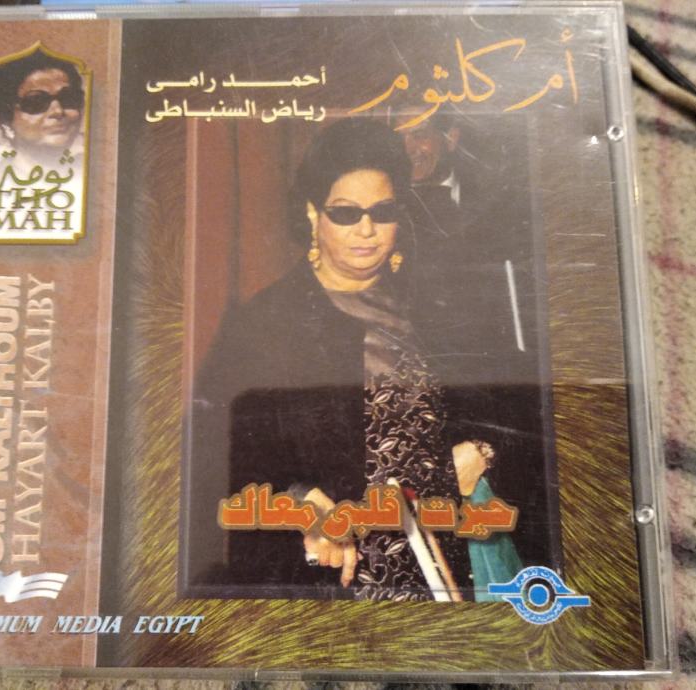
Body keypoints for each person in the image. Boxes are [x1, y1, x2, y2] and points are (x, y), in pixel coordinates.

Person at [183, 118, 525, 602]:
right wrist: (300, 502)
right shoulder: (262, 325)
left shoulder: (438, 305)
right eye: (345, 213)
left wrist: (485, 451)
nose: (366, 230)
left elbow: (517, 408)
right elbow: (220, 462)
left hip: (453, 566)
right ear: (312, 214)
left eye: (382, 212)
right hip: (340, 586)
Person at [0, 48, 85, 168]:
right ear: (6, 117)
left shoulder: (93, 169)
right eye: (37, 102)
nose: (58, 111)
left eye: (69, 98)